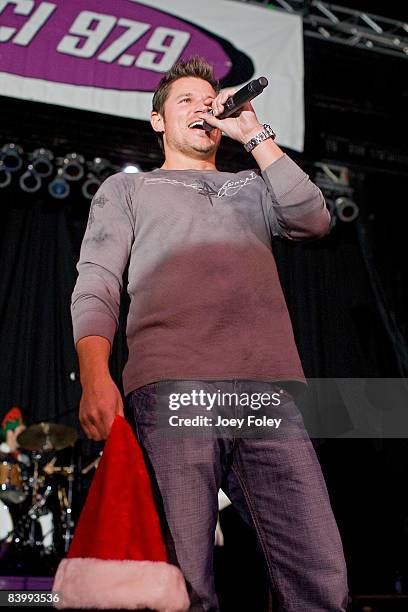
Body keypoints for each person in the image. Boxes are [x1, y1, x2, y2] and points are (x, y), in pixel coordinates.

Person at [72, 57, 348, 611]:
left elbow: (313, 219)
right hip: (175, 388)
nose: (202, 107)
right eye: (186, 101)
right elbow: (97, 281)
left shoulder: (253, 184)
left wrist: (254, 133)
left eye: (209, 99)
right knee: (186, 581)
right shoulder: (130, 192)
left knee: (320, 577)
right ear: (158, 122)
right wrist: (95, 376)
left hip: (267, 394)